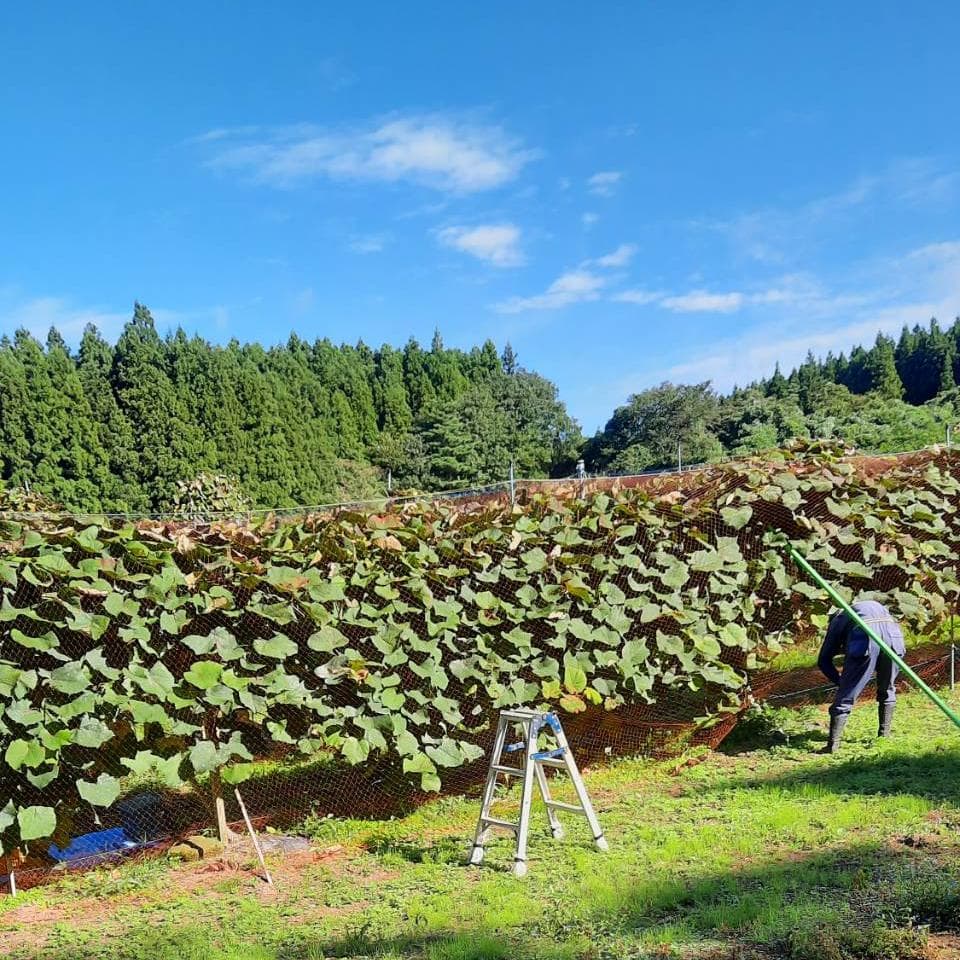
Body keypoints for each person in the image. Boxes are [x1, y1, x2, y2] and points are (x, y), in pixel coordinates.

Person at [816, 598, 906, 753]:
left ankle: (833, 745)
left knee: (845, 697)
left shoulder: (838, 619)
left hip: (866, 638)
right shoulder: (873, 606)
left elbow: (824, 659)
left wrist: (841, 683)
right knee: (887, 688)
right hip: (894, 638)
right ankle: (884, 736)